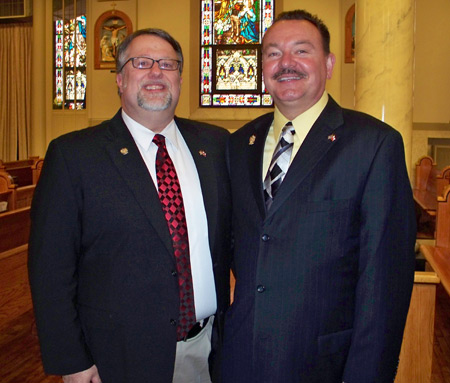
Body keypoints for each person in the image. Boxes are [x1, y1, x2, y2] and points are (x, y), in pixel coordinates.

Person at [221, 9, 416, 383]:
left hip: (324, 365)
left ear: (327, 64)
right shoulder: (237, 145)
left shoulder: (374, 145)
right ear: (262, 68)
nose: (286, 63)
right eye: (273, 53)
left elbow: (384, 282)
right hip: (240, 359)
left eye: (302, 51)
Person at [28, 28, 231, 383]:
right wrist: (71, 359)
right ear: (120, 79)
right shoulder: (74, 156)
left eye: (168, 64)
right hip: (116, 358)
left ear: (180, 79)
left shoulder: (214, 145)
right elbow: (51, 270)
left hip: (207, 349)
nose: (156, 72)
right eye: (142, 63)